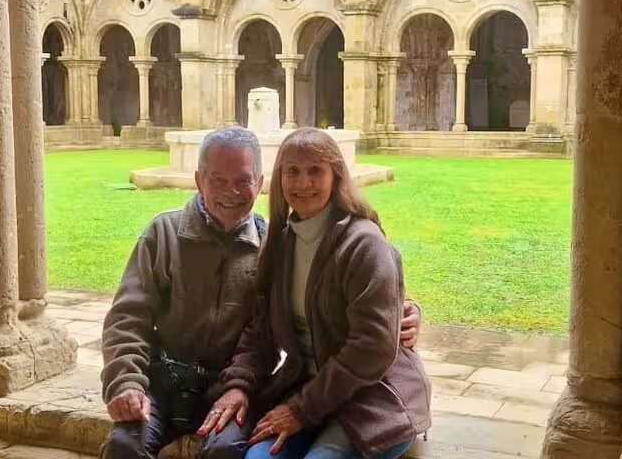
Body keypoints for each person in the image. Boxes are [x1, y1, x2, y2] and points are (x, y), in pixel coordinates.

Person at [99, 126, 424, 459]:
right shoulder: (169, 234)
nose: (232, 192)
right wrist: (126, 381)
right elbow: (128, 317)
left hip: (241, 388)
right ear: (199, 180)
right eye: (218, 180)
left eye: (242, 180)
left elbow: (369, 316)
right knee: (124, 447)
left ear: (259, 182)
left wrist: (406, 307)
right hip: (164, 382)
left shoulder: (275, 244)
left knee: (228, 451)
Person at [202, 128, 431, 459]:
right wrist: (239, 384)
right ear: (279, 178)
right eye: (292, 171)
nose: (303, 182)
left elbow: (372, 347)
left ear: (335, 176)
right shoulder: (280, 243)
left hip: (373, 395)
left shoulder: (364, 244)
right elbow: (261, 331)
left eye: (315, 171)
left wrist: (300, 410)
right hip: (310, 388)